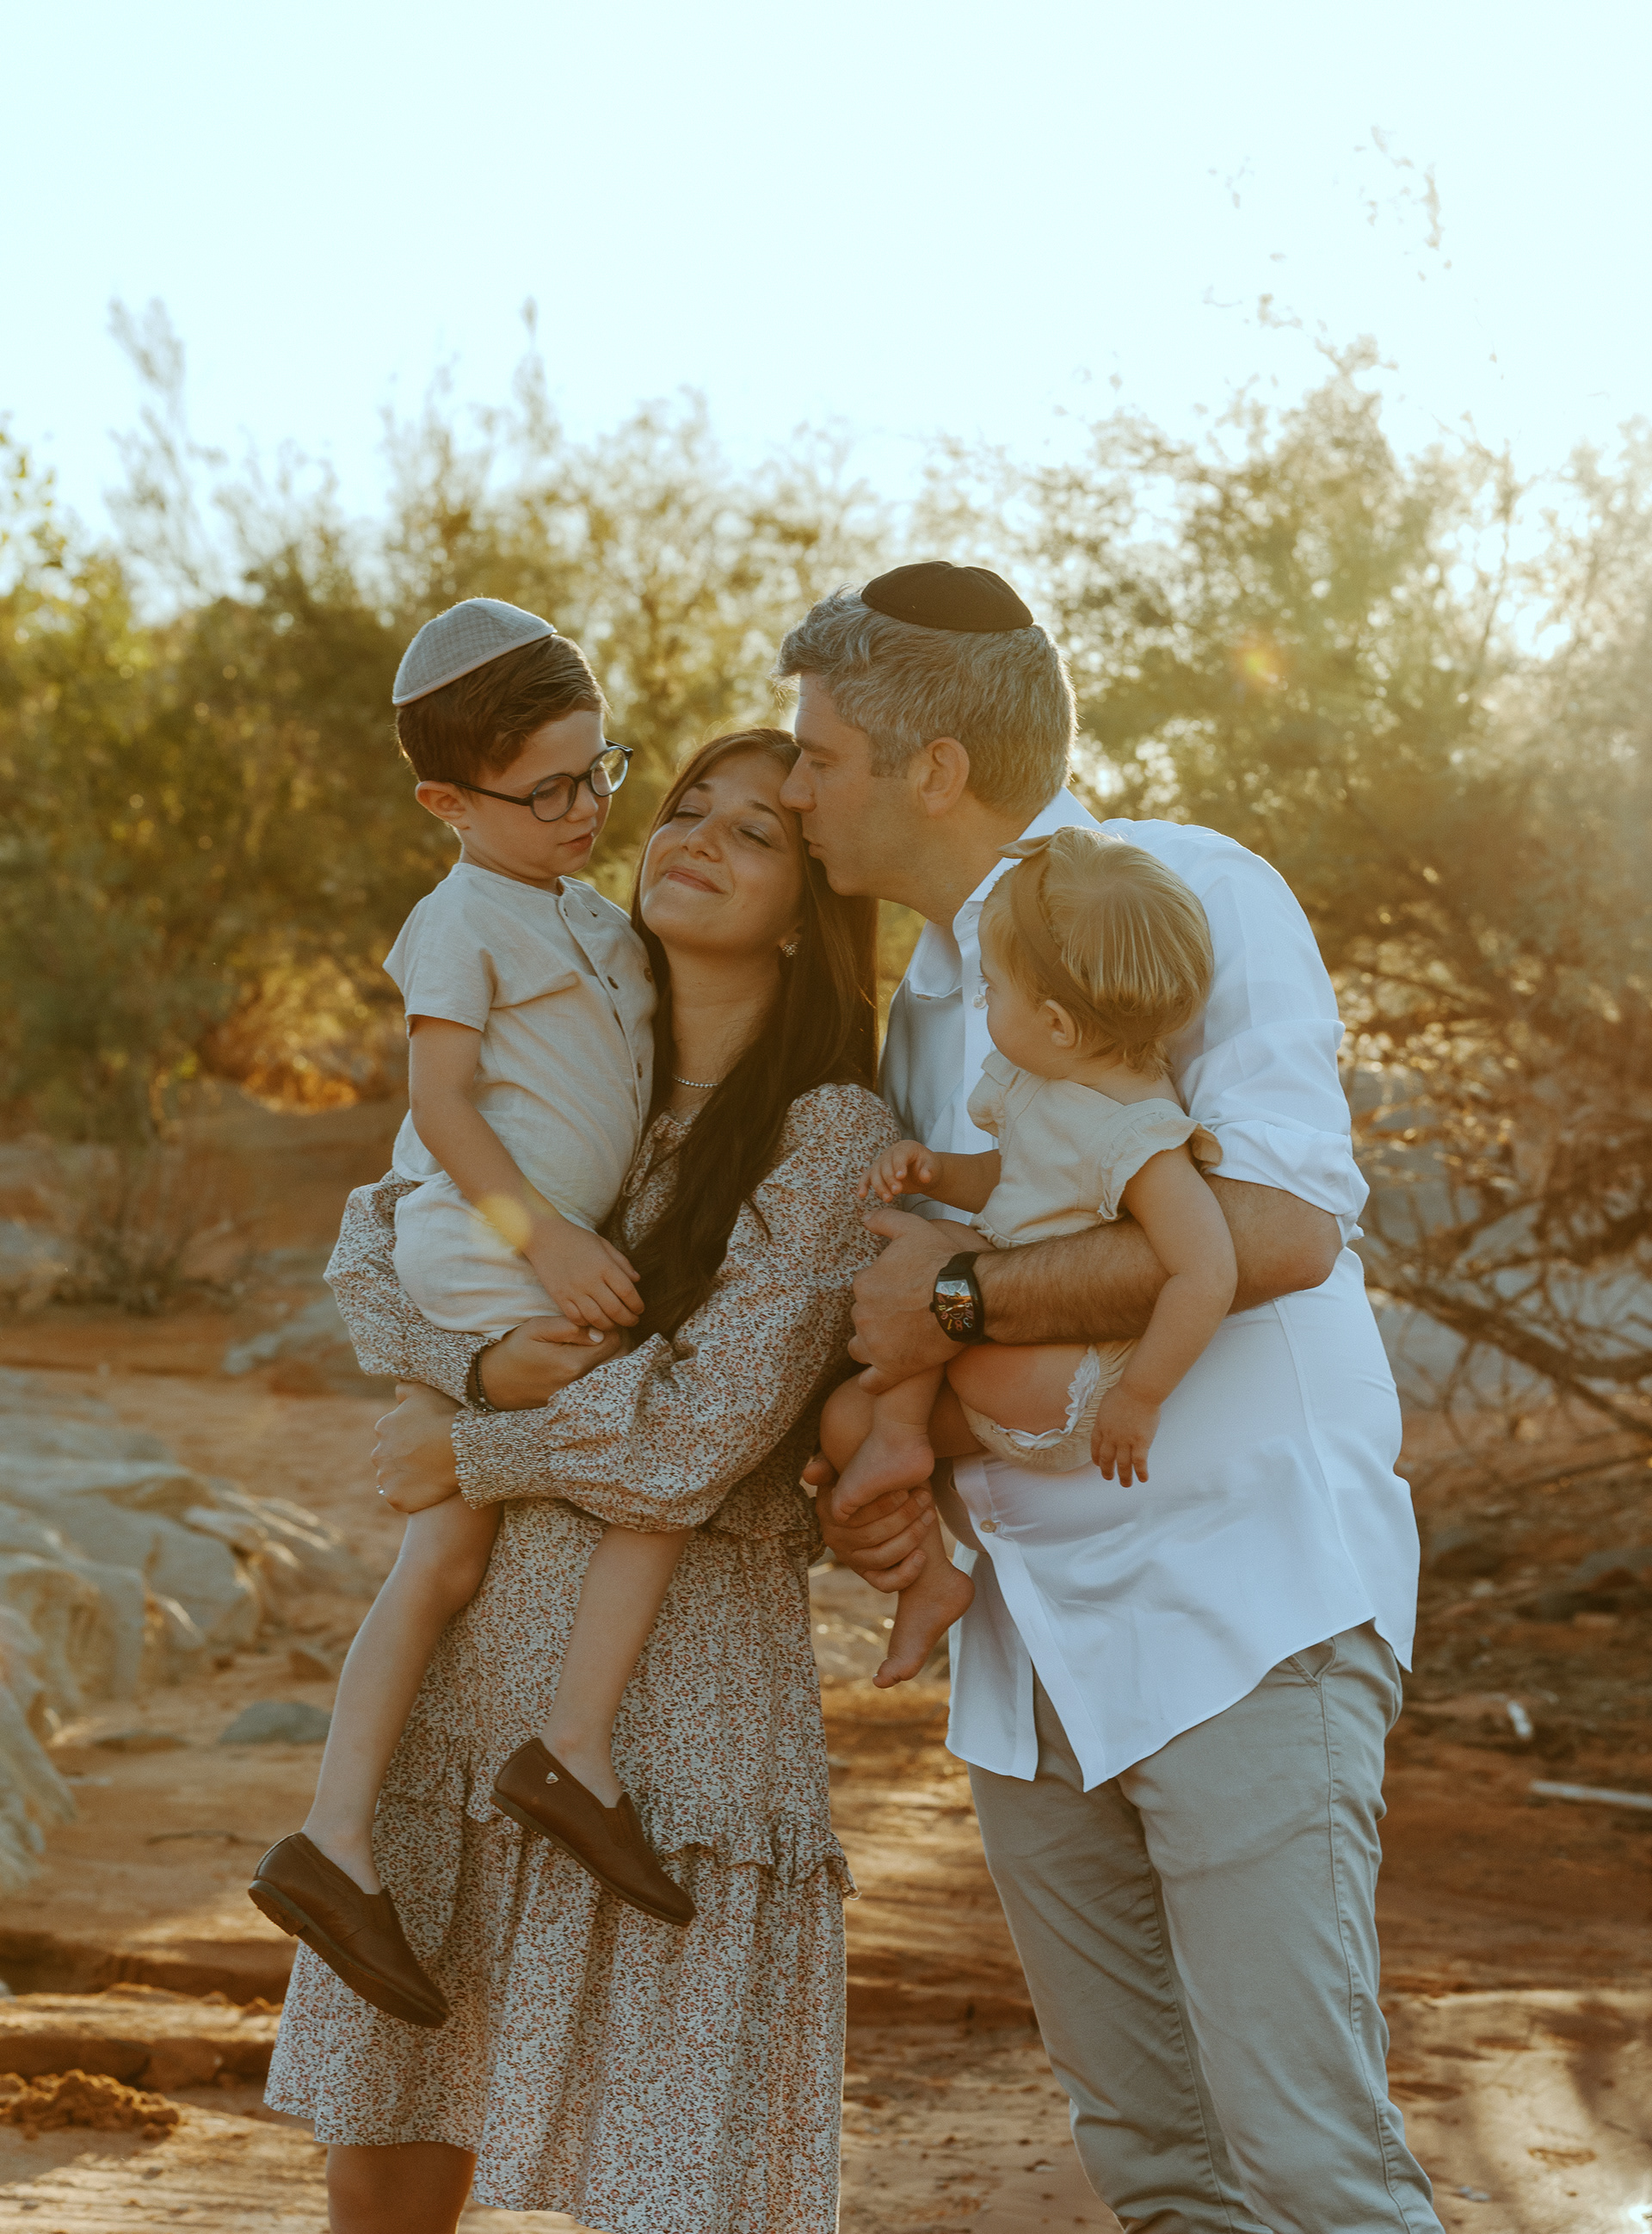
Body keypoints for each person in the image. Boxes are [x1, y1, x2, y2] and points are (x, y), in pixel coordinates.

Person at [779, 561, 1445, 2234]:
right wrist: (902, 1468)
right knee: (1160, 2174)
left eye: (819, 755)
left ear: (936, 768)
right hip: (1034, 1659)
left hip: (1242, 1609)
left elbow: (1284, 1224)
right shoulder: (927, 1008)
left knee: (1312, 2169)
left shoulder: (1188, 888)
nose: (794, 791)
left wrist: (956, 1300)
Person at [264, 727, 894, 2234]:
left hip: (675, 1723)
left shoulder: (829, 1130)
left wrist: (468, 1442)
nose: (695, 838)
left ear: (808, 912)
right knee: (387, 2166)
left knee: (670, 2189)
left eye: (754, 833)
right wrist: (479, 1367)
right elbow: (374, 1244)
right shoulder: (560, 1038)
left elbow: (702, 1429)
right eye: (685, 809)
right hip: (472, 1681)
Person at [253, 601, 703, 2024]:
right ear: (448, 803)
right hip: (487, 1246)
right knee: (662, 1440)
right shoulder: (459, 920)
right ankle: (571, 1751)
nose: (585, 811)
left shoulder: (594, 918)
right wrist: (548, 1242)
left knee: (444, 1555)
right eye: (546, 792)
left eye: (598, 772)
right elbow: (442, 1107)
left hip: (538, 1248)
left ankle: (333, 1843)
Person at [820, 826, 1236, 1686]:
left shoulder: (1137, 1132)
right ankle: (929, 1578)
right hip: (1000, 1378)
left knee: (932, 1254)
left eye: (994, 989)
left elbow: (1207, 1269)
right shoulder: (1047, 1083)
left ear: (1055, 1023)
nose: (984, 1005)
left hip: (1072, 1385)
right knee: (842, 1422)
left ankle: (902, 1439)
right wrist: (940, 1172)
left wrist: (1141, 1395)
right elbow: (1011, 1182)